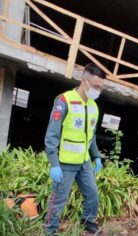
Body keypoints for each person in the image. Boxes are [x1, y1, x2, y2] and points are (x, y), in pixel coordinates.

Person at [44, 63, 105, 235]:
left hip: (84, 161)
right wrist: (54, 163)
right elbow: (51, 135)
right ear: (84, 81)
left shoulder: (94, 106)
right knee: (59, 200)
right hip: (65, 163)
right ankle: (50, 230)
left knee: (93, 194)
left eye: (101, 88)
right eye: (96, 86)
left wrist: (96, 156)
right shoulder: (64, 101)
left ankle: (88, 222)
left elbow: (90, 135)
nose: (98, 91)